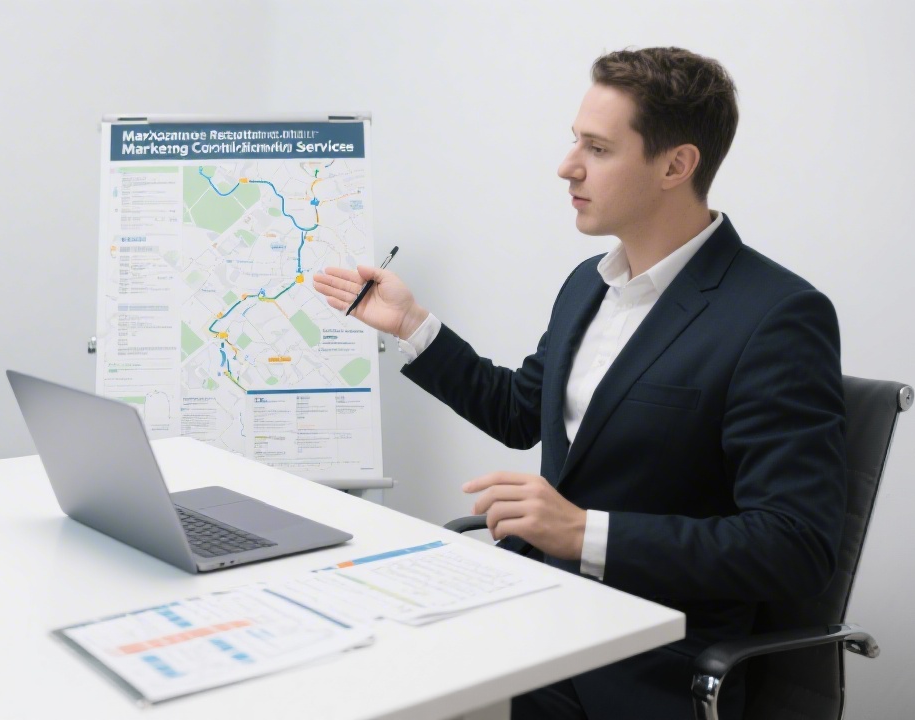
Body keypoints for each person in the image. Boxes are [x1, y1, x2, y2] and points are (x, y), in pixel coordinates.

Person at [313, 47, 846, 720]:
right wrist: (413, 326)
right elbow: (522, 412)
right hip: (542, 629)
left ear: (676, 165)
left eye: (597, 148)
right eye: (575, 142)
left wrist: (585, 533)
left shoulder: (775, 316)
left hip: (649, 666)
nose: (567, 167)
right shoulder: (588, 285)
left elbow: (794, 547)